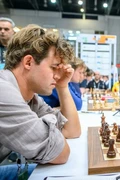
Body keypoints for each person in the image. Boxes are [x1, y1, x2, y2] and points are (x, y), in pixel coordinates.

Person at [0, 25, 81, 179]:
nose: (58, 75)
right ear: (29, 62)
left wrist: (62, 86)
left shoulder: (31, 97)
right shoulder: (3, 92)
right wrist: (49, 128)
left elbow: (72, 130)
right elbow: (60, 153)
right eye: (55, 67)